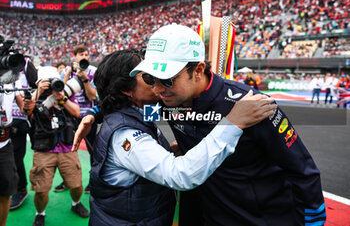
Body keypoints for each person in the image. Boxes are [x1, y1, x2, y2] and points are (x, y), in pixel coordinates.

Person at [76, 24, 325, 225]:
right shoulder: (165, 100)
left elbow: (302, 168)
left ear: (198, 69)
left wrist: (314, 219)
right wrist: (96, 114)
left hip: (260, 217)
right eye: (151, 78)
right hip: (207, 213)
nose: (158, 88)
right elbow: (127, 103)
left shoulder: (249, 105)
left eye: (167, 79)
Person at [73, 49, 275, 226]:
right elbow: (180, 175)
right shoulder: (124, 135)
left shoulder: (141, 109)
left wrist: (94, 113)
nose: (158, 83)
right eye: (149, 77)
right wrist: (232, 123)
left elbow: (112, 103)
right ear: (126, 89)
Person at [29, 67, 89, 226]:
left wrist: (62, 98)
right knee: (41, 190)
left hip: (67, 147)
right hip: (43, 149)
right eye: (46, 83)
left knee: (76, 185)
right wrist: (38, 91)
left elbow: (77, 112)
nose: (50, 86)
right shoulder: (34, 97)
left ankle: (76, 203)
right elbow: (27, 112)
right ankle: (40, 212)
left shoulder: (66, 93)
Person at [55, 45, 97, 193]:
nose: (84, 57)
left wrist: (84, 79)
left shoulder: (93, 71)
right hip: (70, 116)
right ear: (74, 57)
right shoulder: (67, 70)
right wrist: (69, 72)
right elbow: (60, 91)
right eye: (81, 54)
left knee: (93, 151)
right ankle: (67, 181)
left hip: (89, 116)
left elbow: (92, 96)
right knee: (68, 151)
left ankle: (93, 182)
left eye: (86, 54)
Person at [0, 79, 32, 226]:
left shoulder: (12, 78)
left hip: (4, 143)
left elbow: (23, 109)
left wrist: (27, 106)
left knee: (6, 191)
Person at [10, 57, 38, 210]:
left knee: (15, 156)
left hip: (19, 119)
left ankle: (21, 189)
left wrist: (29, 108)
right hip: (5, 118)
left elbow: (37, 86)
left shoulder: (25, 63)